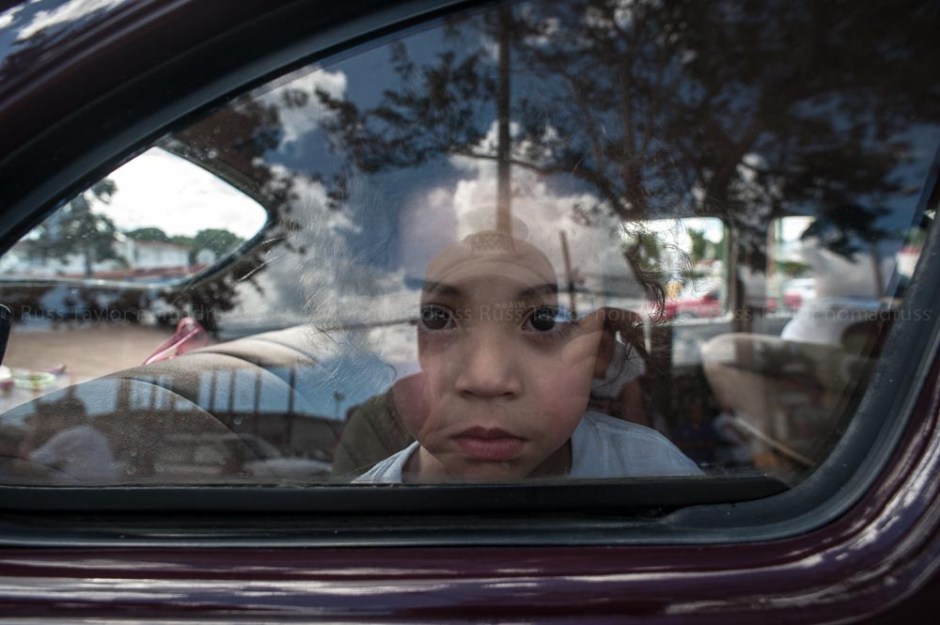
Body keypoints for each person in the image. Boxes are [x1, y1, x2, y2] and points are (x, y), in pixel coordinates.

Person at [356, 230, 700, 483]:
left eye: (545, 319)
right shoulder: (353, 522)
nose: (487, 379)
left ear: (601, 342)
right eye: (435, 317)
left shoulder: (658, 477)